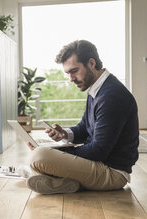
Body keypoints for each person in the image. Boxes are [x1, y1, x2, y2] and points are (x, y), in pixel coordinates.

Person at [21, 40, 139, 194]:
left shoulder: (112, 95)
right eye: (68, 73)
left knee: (38, 156)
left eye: (74, 71)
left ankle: (55, 177)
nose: (71, 78)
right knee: (39, 156)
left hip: (112, 173)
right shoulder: (97, 89)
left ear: (91, 63)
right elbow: (85, 127)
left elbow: (99, 150)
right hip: (98, 165)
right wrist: (64, 134)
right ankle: (65, 183)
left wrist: (56, 152)